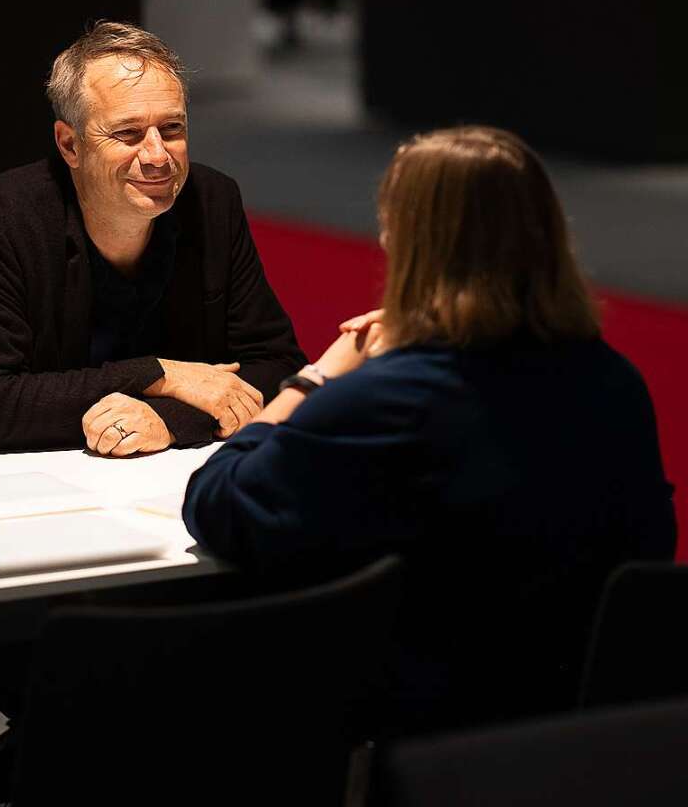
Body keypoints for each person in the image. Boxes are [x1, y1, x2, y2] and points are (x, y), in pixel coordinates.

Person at [183, 126, 676, 734]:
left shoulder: (391, 400)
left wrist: (317, 377)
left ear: (417, 242)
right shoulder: (615, 384)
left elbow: (216, 502)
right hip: (587, 730)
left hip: (431, 735)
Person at [0, 21, 306, 454]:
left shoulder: (212, 201)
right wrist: (160, 373)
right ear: (69, 145)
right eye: (127, 134)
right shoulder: (0, 218)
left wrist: (169, 420)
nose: (156, 156)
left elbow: (280, 371)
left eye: (172, 129)